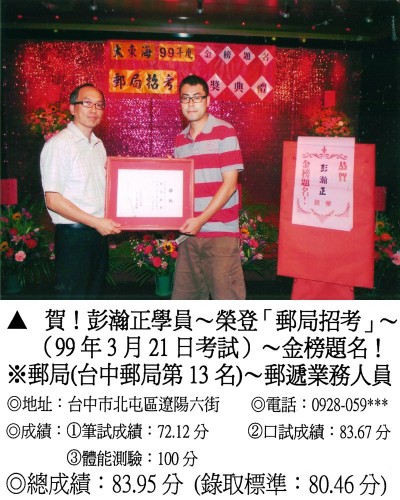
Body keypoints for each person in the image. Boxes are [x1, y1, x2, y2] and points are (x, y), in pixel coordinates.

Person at [40, 83, 121, 298]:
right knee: (74, 301)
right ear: (72, 108)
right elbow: (53, 200)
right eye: (87, 103)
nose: (94, 109)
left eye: (99, 105)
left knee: (94, 297)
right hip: (74, 237)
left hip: (98, 234)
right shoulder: (59, 145)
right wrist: (96, 222)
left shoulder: (98, 145)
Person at [171, 74, 246, 300]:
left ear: (208, 100)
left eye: (197, 97)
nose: (191, 103)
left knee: (228, 302)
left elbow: (230, 185)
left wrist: (200, 220)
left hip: (220, 233)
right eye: (185, 98)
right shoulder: (180, 139)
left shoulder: (225, 131)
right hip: (188, 235)